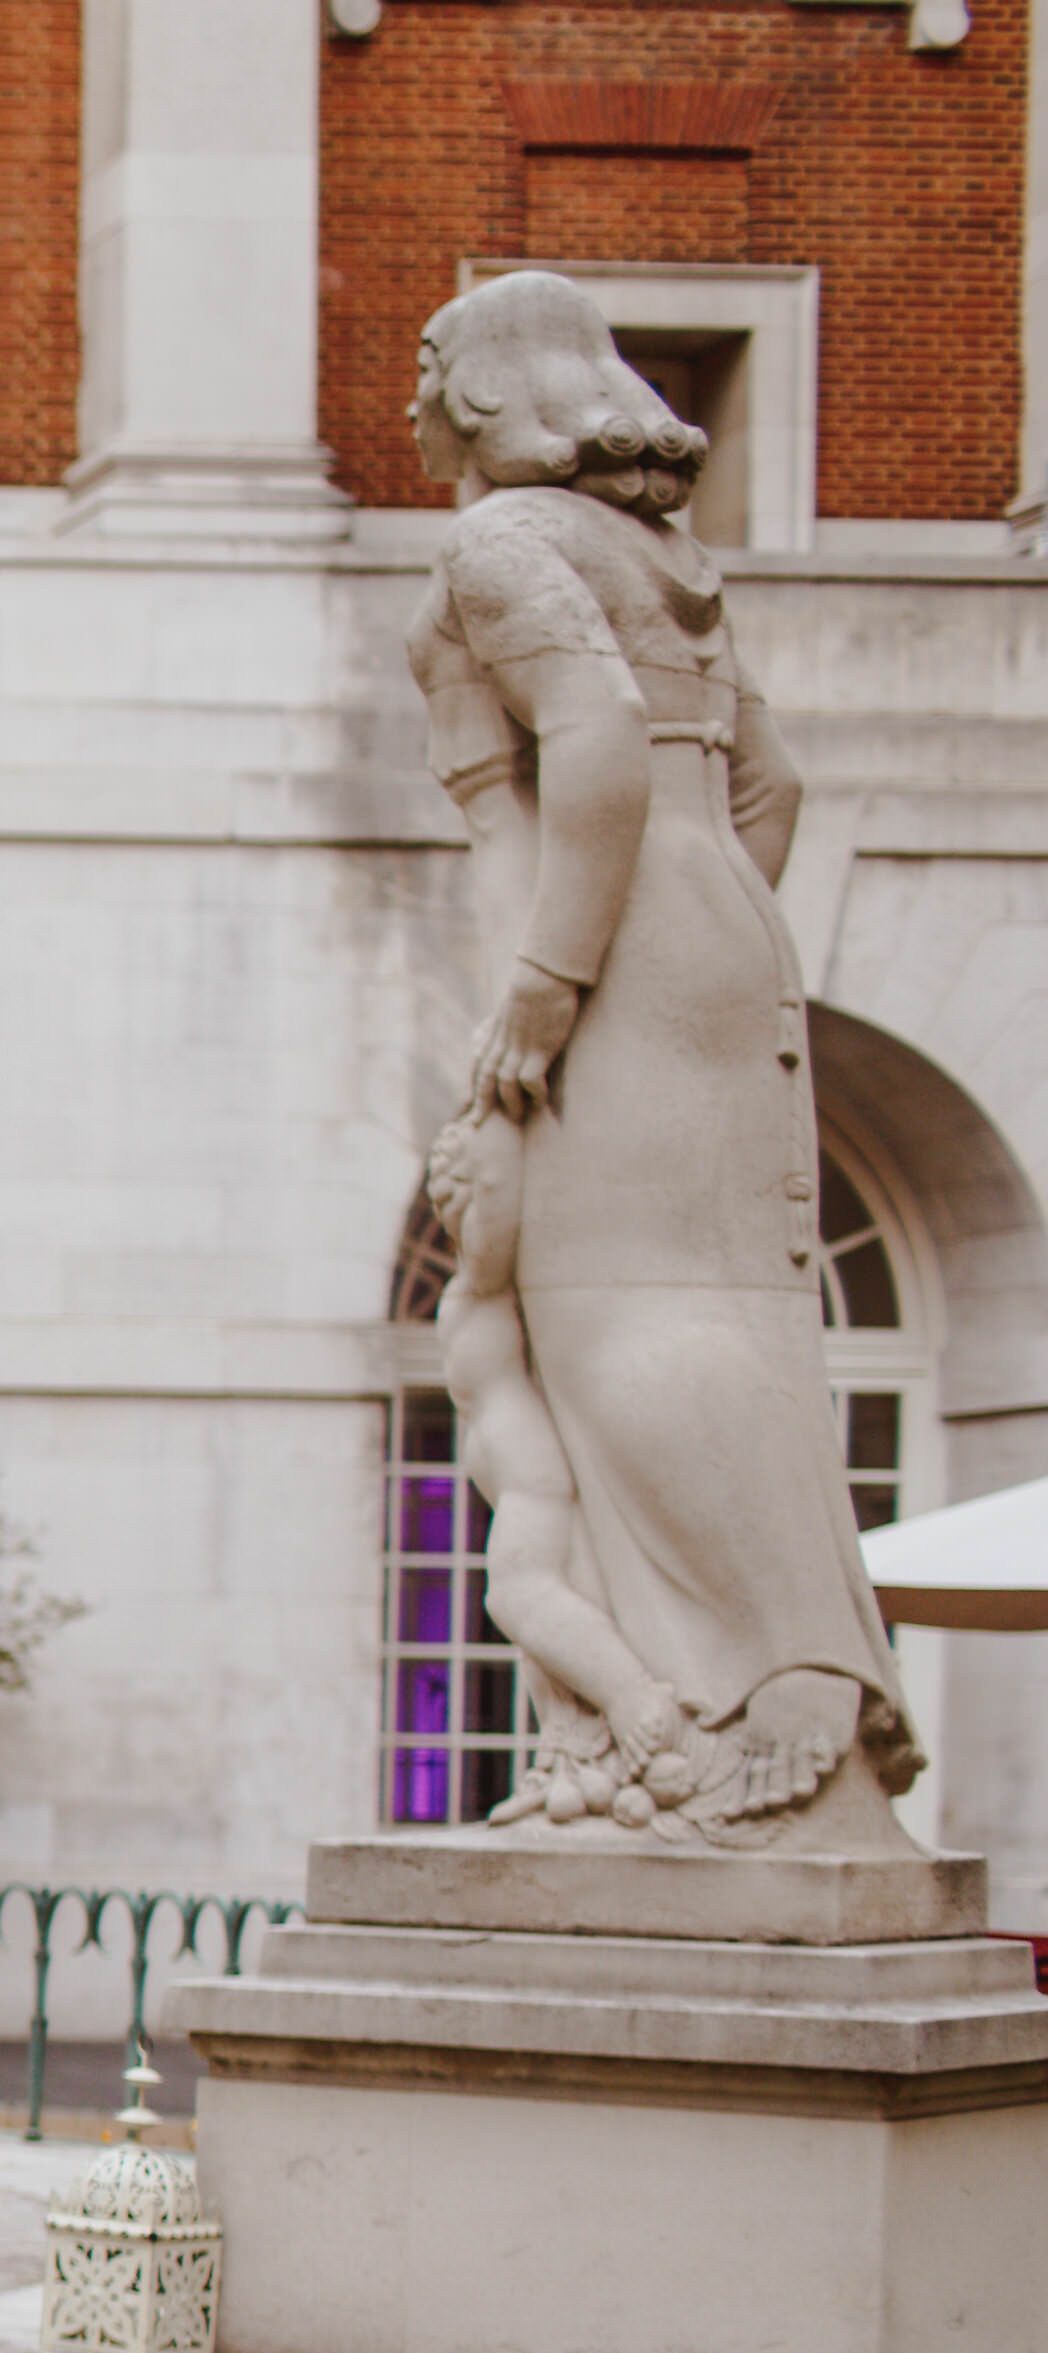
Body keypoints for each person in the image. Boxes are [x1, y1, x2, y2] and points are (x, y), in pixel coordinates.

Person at [400, 268, 914, 1844]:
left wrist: (556, 983)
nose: (413, 394)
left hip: (612, 941)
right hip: (711, 927)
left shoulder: (503, 544)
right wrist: (707, 924)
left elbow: (600, 748)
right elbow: (775, 787)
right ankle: (749, 1672)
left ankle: (794, 1675)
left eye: (431, 366)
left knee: (618, 1313)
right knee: (723, 1303)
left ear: (487, 388)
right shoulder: (657, 554)